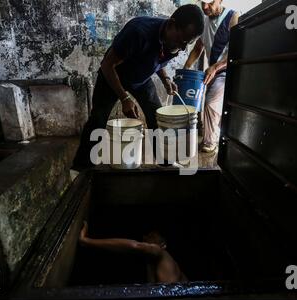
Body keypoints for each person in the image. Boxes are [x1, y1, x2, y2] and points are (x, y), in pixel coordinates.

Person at [70, 5, 205, 179]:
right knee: (98, 119)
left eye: (187, 42)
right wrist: (124, 97)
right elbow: (107, 65)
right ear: (171, 24)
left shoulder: (175, 42)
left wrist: (166, 80)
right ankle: (80, 169)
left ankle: (164, 162)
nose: (182, 47)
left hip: (141, 79)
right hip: (113, 75)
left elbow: (158, 61)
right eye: (181, 40)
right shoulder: (138, 32)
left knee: (157, 117)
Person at [184, 0, 239, 153]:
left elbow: (236, 49)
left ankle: (210, 143)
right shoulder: (204, 22)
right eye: (203, 3)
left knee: (210, 104)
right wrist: (186, 68)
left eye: (210, 2)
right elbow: (198, 47)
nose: (205, 7)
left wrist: (215, 67)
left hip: (228, 71)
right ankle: (216, 137)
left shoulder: (232, 17)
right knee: (211, 107)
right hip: (212, 72)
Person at [78, 221, 188, 284]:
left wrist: (87, 241)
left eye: (152, 236)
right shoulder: (153, 265)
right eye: (145, 238)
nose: (146, 238)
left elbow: (135, 246)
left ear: (163, 244)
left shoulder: (161, 252)